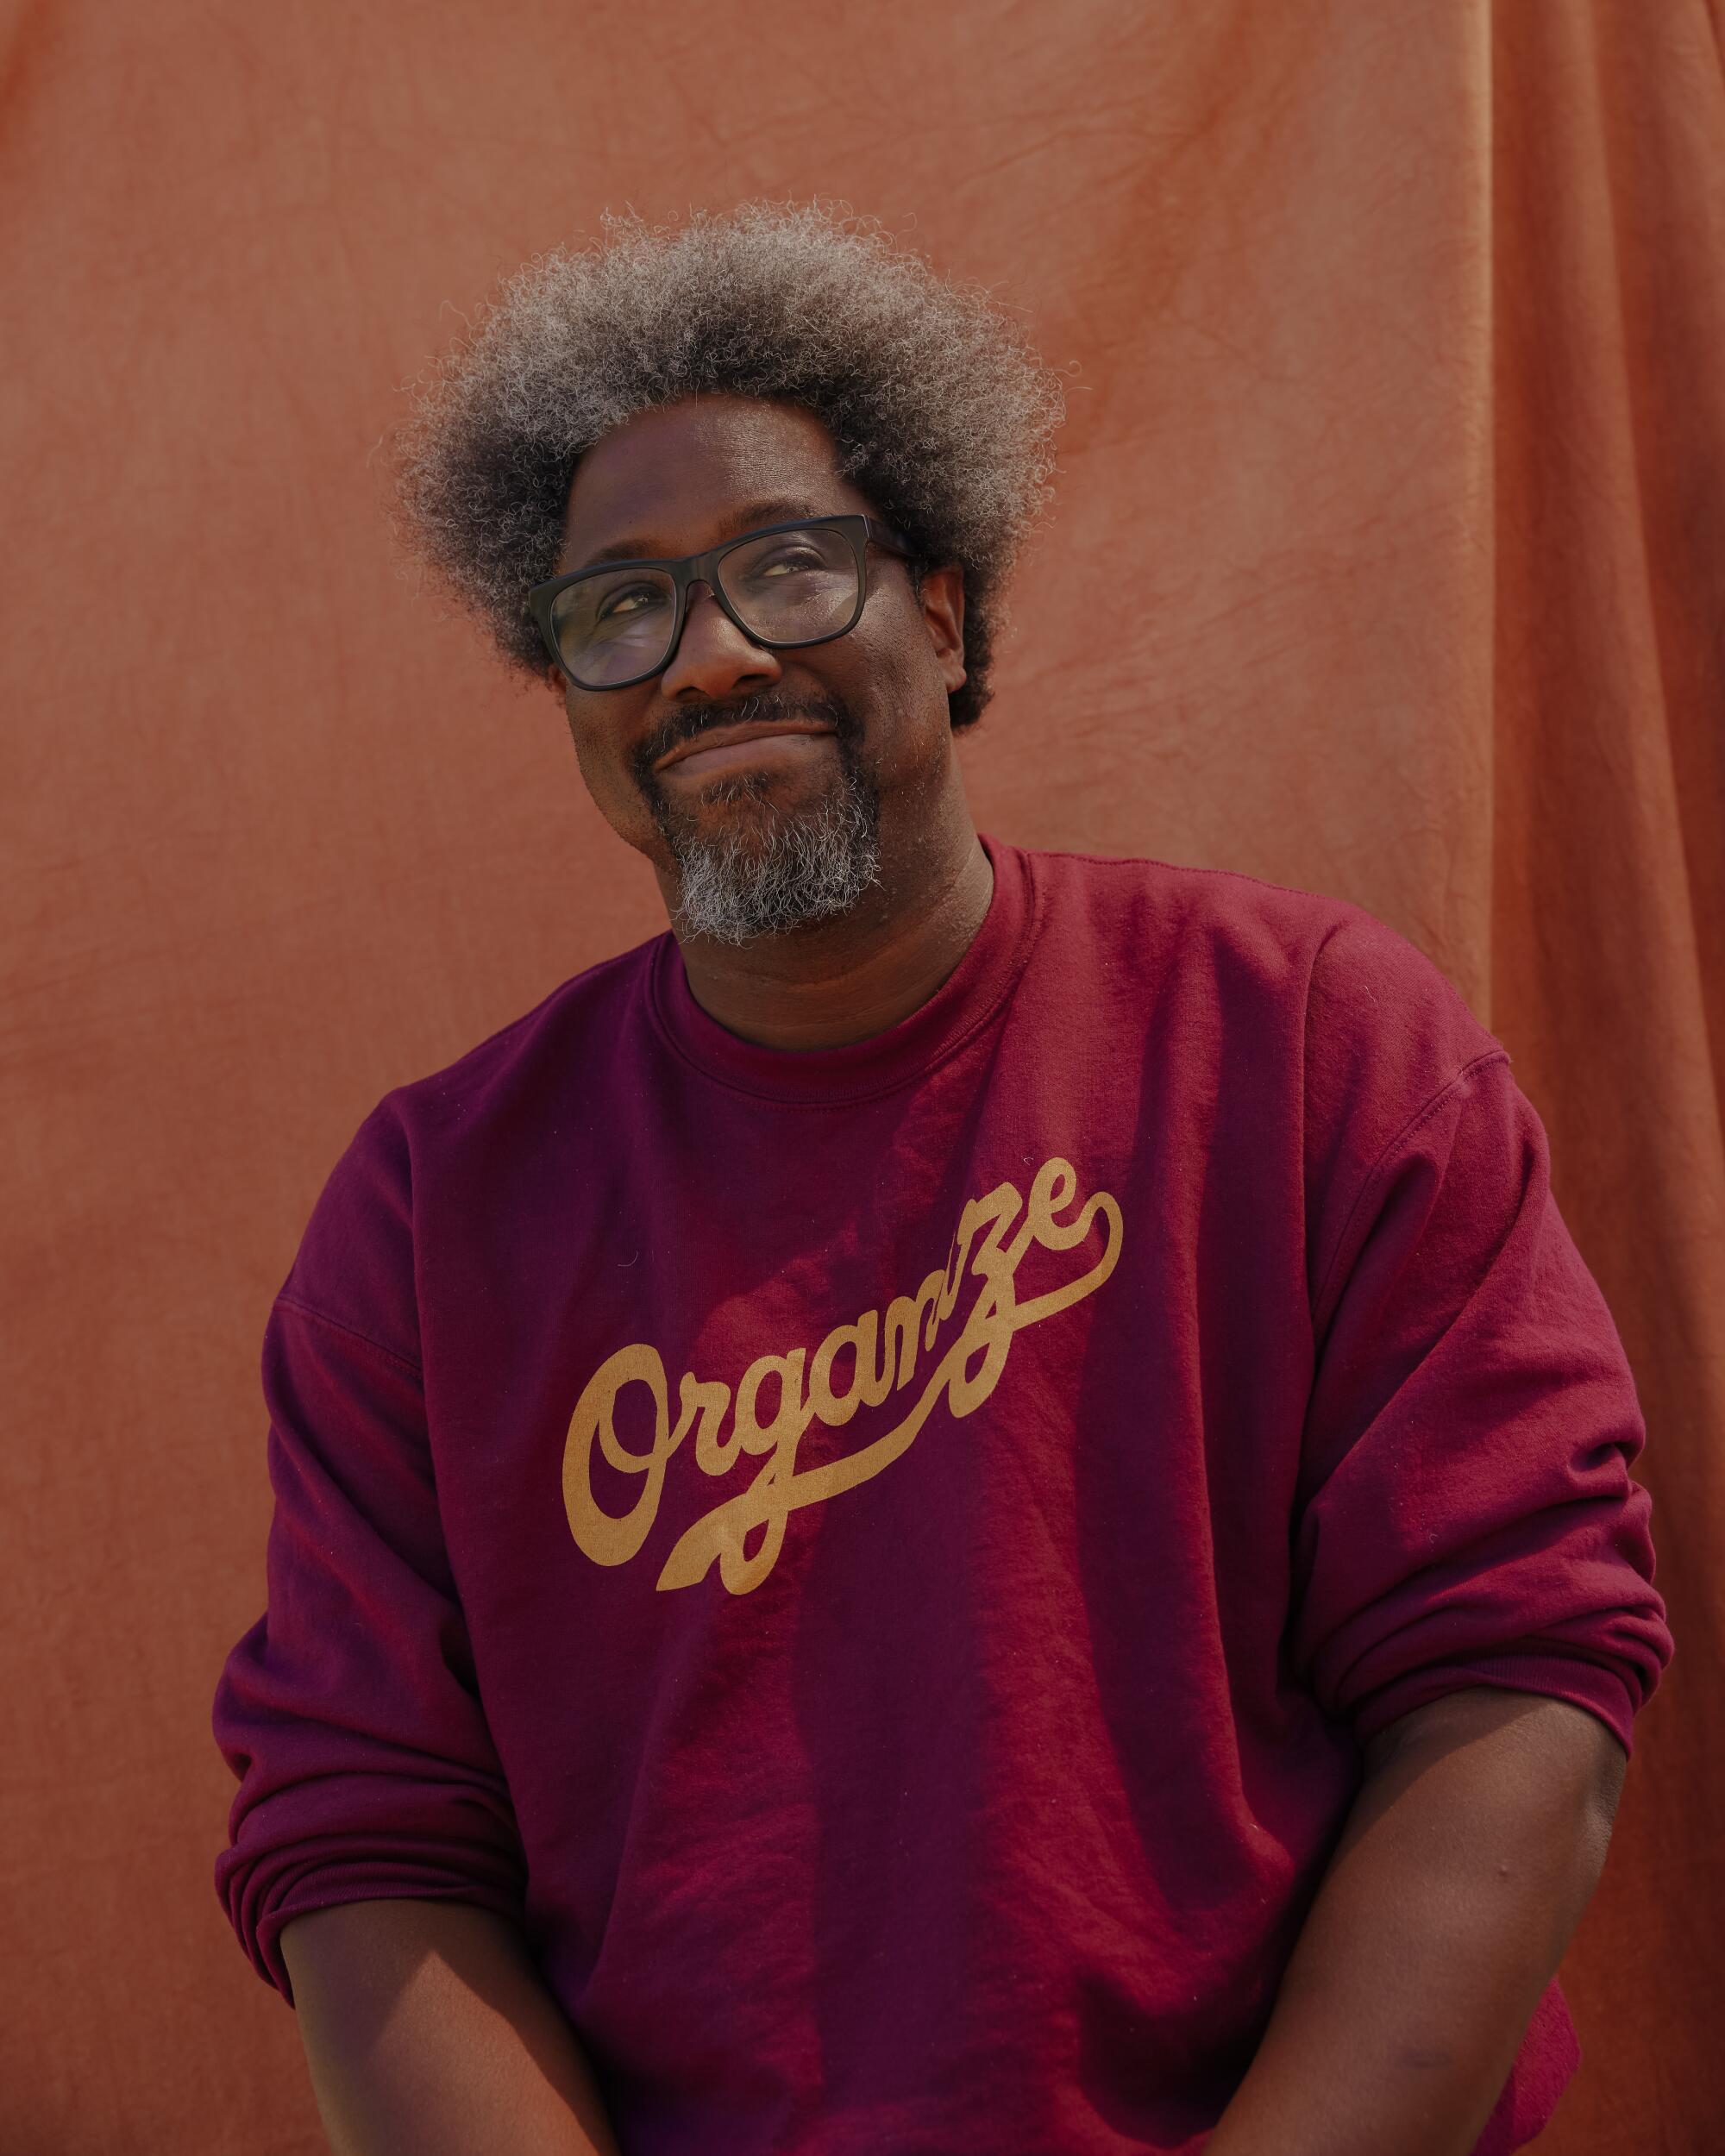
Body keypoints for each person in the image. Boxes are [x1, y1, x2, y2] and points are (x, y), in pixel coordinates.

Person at [210, 202, 1672, 2156]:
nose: (708, 655)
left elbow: (1514, 1671)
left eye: (788, 567)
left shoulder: (1315, 1042)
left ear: (951, 609)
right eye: (616, 609)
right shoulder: (426, 1213)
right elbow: (364, 1831)